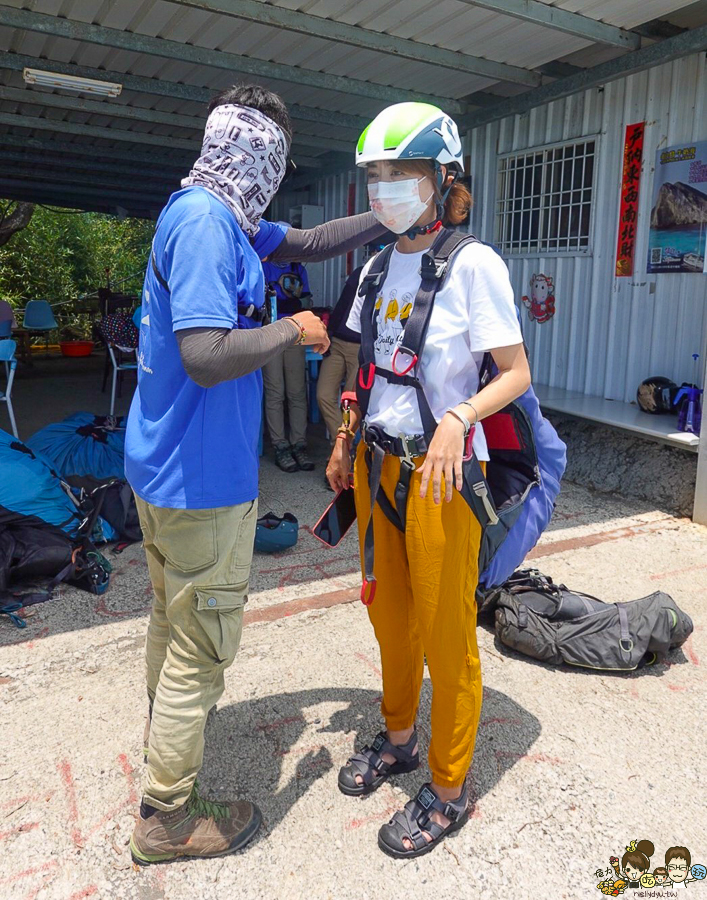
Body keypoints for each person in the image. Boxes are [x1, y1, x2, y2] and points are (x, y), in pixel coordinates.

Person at [125, 82, 385, 866]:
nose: (274, 176)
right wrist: (292, 331)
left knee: (174, 627)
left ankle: (167, 745)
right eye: (275, 158)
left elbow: (308, 243)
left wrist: (388, 213)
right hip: (198, 479)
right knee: (200, 645)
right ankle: (166, 817)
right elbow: (205, 357)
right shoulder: (206, 225)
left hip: (167, 470)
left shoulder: (222, 217)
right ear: (256, 156)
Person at [326, 102, 531, 858]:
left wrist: (458, 417)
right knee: (389, 618)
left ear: (441, 179)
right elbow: (363, 363)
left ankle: (449, 789)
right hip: (377, 466)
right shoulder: (377, 264)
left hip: (444, 476)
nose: (386, 190)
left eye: (401, 174)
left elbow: (514, 373)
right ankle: (400, 737)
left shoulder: (474, 263)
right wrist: (346, 439)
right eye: (376, 177)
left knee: (447, 638)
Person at [261, 258, 313, 472]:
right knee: (275, 391)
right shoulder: (263, 266)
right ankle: (280, 446)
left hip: (296, 333)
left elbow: (307, 300)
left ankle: (299, 444)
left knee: (297, 391)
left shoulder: (298, 268)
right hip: (270, 334)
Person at [316, 262, 365, 463]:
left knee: (352, 404)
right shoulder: (360, 272)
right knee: (324, 395)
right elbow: (342, 304)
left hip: (361, 348)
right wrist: (328, 335)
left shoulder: (392, 277)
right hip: (338, 342)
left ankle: (342, 454)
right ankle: (344, 446)